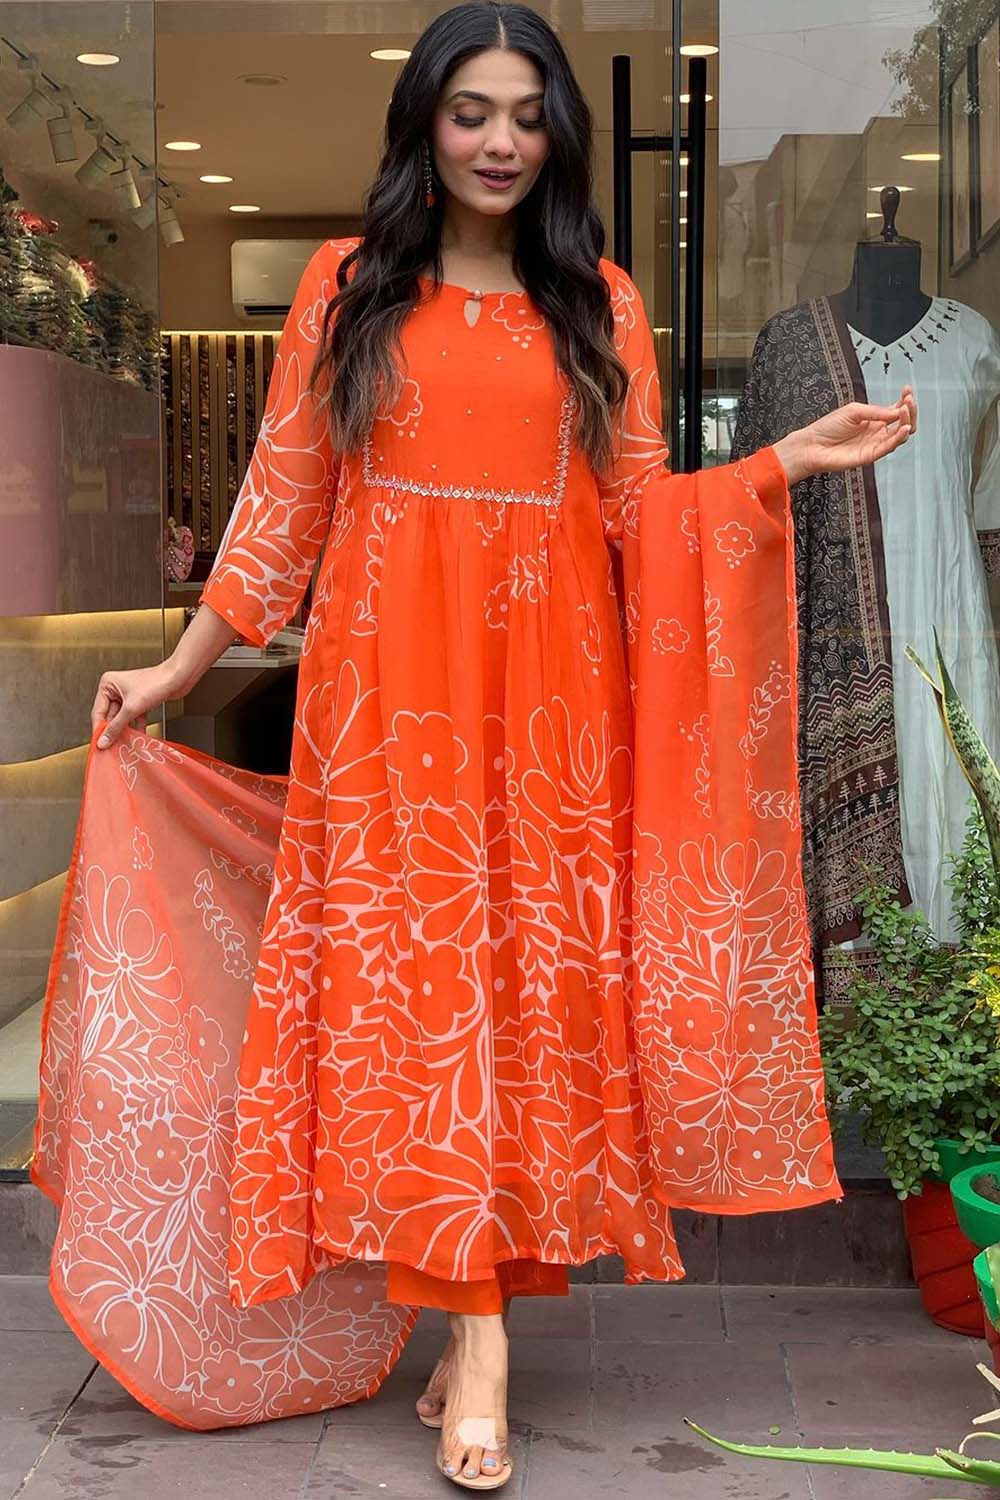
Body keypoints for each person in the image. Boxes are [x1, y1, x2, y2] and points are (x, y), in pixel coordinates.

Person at [88, 3, 915, 1490]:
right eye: (471, 111)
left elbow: (642, 513)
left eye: (527, 116)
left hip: (549, 708)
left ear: (558, 138)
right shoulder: (349, 289)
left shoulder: (599, 303)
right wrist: (178, 667)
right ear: (424, 122)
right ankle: (475, 1337)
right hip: (384, 702)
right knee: (418, 1001)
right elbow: (283, 500)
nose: (500, 142)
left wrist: (776, 465)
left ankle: (473, 1320)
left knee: (522, 1006)